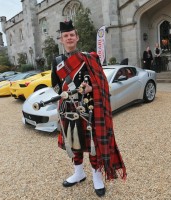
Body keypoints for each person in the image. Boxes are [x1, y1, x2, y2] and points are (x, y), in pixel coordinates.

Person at [51, 20, 126, 197]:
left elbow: (102, 83)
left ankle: (96, 176)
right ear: (61, 40)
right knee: (73, 142)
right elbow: (54, 84)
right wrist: (63, 95)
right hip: (68, 108)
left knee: (93, 145)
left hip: (87, 108)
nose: (69, 38)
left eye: (71, 35)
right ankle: (79, 173)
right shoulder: (57, 61)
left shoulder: (90, 58)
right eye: (65, 36)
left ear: (76, 37)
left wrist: (92, 88)